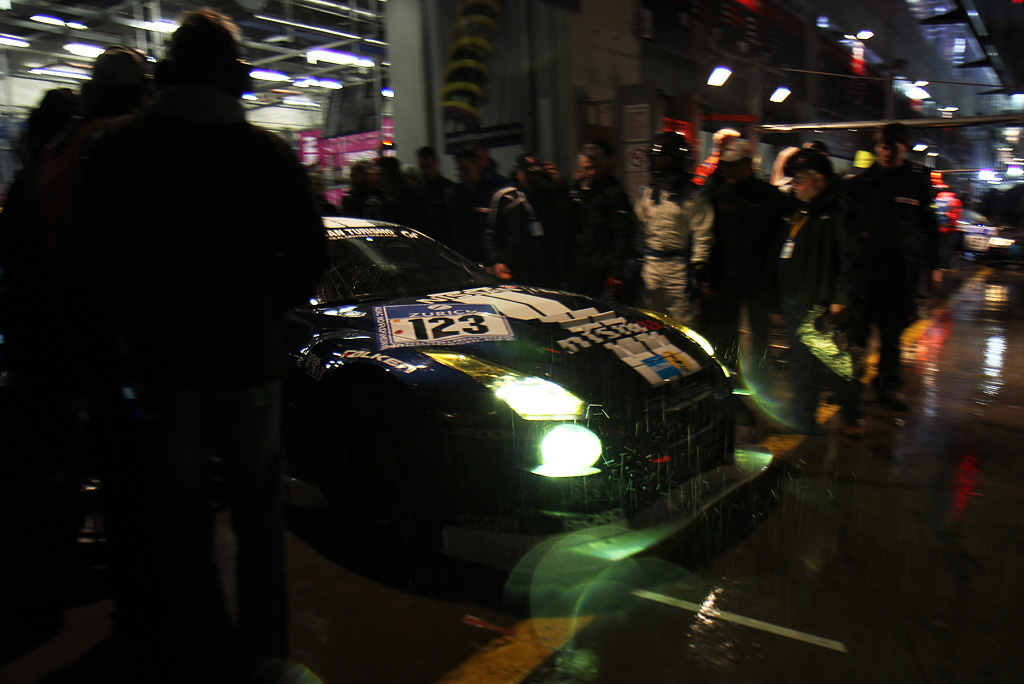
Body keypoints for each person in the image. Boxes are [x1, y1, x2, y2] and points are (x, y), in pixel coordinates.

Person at [62, 9, 328, 684]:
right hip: (250, 364)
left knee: (183, 528)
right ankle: (265, 655)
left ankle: (206, 658)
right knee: (259, 520)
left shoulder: (120, 149)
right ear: (237, 78)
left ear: (169, 73)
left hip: (164, 368)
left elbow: (91, 263)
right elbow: (309, 259)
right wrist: (262, 305)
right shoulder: (268, 155)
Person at [844, 122, 939, 410]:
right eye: (882, 146)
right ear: (876, 148)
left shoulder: (915, 184)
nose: (886, 152)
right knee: (857, 335)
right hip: (865, 273)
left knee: (891, 336)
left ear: (903, 148)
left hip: (899, 275)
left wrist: (935, 266)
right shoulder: (860, 184)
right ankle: (851, 391)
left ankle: (886, 389)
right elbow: (846, 229)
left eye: (892, 147)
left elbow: (929, 227)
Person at [770, 148, 864, 437]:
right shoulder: (797, 209)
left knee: (833, 362)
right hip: (794, 299)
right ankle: (804, 418)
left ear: (819, 180)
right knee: (802, 363)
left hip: (819, 302)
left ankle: (850, 414)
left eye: (799, 178)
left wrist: (840, 299)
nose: (794, 184)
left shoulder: (837, 212)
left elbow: (849, 259)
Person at [702, 138, 787, 377]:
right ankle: (729, 371)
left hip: (758, 276)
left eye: (733, 165)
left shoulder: (768, 196)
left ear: (747, 163)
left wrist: (774, 276)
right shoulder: (719, 194)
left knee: (759, 327)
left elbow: (778, 238)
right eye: (725, 165)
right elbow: (711, 237)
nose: (727, 170)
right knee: (726, 328)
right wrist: (709, 275)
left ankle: (760, 372)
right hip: (726, 275)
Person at [634, 131, 713, 329]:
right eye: (656, 160)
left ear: (676, 161)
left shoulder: (693, 196)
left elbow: (702, 235)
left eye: (663, 160)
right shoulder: (647, 193)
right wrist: (635, 256)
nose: (658, 166)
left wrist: (698, 269)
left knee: (682, 325)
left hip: (679, 268)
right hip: (650, 265)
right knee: (649, 321)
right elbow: (640, 228)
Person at [569, 141, 636, 300]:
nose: (591, 173)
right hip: (581, 270)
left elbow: (622, 236)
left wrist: (615, 273)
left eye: (595, 167)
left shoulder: (613, 193)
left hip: (603, 271)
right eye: (587, 168)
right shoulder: (575, 193)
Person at [485, 152, 555, 286]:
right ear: (518, 173)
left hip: (545, 270)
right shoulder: (505, 197)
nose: (533, 177)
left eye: (536, 173)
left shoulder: (549, 195)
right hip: (514, 270)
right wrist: (497, 261)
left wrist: (558, 185)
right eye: (529, 173)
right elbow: (493, 233)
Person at [449, 145, 498, 264]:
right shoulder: (455, 195)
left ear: (477, 165)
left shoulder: (492, 194)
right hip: (464, 259)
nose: (462, 174)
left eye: (466, 168)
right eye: (459, 169)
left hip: (488, 260)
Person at [364, 155, 428, 231]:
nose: (380, 179)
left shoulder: (413, 200)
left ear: (395, 175)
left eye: (384, 175)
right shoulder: (375, 202)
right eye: (379, 175)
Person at [416, 145, 458, 245]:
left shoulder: (449, 189)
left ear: (435, 163)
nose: (425, 171)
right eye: (422, 167)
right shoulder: (417, 191)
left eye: (427, 166)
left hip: (446, 241)